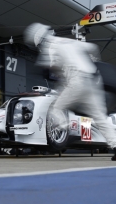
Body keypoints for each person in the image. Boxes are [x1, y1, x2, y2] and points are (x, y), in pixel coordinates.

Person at [24, 23, 116, 161]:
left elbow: (47, 65)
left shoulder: (49, 46)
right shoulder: (68, 41)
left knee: (56, 108)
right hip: (92, 81)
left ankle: (66, 126)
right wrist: (93, 63)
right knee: (100, 117)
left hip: (76, 81)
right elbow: (92, 48)